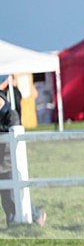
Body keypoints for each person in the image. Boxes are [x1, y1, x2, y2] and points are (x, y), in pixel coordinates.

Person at [0, 91, 45, 227]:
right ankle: (13, 222)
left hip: (9, 161)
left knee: (14, 195)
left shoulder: (10, 114)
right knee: (6, 197)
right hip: (1, 162)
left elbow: (14, 130)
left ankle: (36, 215)